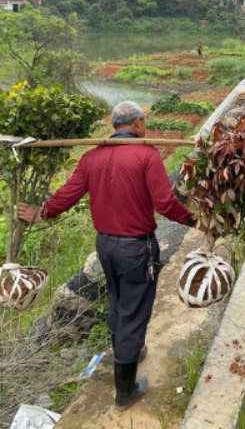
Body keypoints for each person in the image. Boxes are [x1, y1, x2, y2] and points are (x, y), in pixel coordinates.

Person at [18, 101, 197, 411]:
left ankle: (130, 352)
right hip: (135, 249)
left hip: (106, 247)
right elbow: (165, 204)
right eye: (145, 122)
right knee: (133, 310)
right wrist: (195, 221)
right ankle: (125, 390)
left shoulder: (92, 157)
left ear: (116, 125)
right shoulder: (146, 155)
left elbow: (68, 193)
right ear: (138, 123)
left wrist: (42, 213)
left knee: (118, 301)